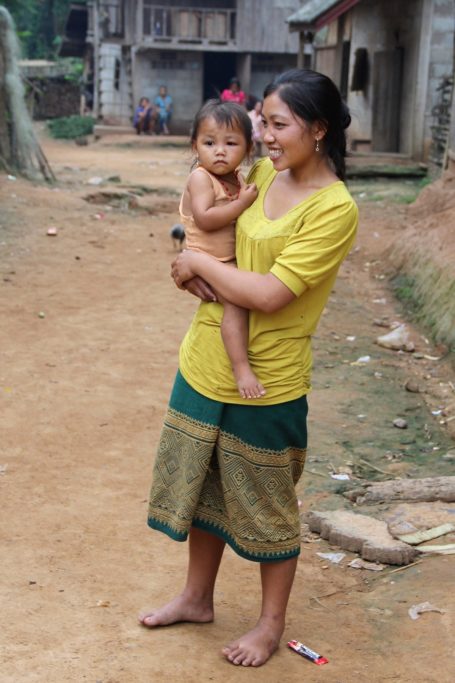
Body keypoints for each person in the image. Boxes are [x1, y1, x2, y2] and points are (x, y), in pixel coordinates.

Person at [140, 68, 358, 668]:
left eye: (277, 124)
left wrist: (198, 264)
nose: (261, 135)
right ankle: (196, 596)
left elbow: (267, 294)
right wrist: (188, 263)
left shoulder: (334, 209)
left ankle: (269, 624)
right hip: (205, 357)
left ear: (317, 130)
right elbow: (203, 229)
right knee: (203, 481)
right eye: (261, 122)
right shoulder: (260, 174)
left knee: (267, 503)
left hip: (268, 378)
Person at [176, 99, 264, 398]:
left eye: (231, 143)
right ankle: (241, 370)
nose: (220, 151)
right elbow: (205, 218)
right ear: (194, 146)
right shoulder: (201, 178)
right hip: (209, 261)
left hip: (226, 261)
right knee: (237, 306)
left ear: (248, 149)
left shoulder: (238, 178)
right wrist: (241, 204)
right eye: (209, 142)